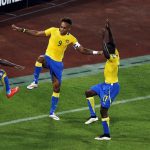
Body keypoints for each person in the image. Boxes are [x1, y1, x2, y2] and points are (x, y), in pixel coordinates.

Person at [12, 17, 102, 120]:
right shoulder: (53, 30)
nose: (61, 29)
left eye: (64, 28)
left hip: (58, 64)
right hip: (48, 58)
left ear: (69, 29)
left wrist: (97, 52)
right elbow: (37, 33)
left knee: (56, 88)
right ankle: (35, 82)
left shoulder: (71, 38)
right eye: (61, 27)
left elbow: (82, 50)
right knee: (41, 58)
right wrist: (22, 29)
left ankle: (52, 112)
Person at [84, 20, 120, 140]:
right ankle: (93, 116)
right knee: (88, 92)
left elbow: (105, 52)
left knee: (103, 110)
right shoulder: (116, 51)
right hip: (104, 85)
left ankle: (106, 134)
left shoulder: (112, 58)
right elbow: (112, 42)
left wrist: (101, 38)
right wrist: (109, 30)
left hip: (111, 87)